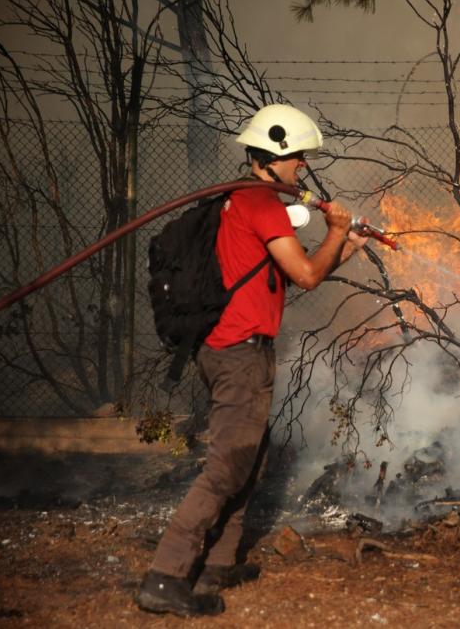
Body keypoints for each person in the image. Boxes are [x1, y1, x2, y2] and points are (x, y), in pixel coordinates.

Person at [136, 104, 366, 617]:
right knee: (226, 467)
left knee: (249, 460)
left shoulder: (240, 202)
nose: (303, 166)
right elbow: (306, 276)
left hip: (233, 349)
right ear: (276, 155)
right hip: (239, 354)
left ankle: (219, 563)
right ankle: (165, 576)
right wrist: (334, 232)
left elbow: (286, 274)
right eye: (299, 157)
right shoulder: (261, 202)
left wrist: (345, 244)